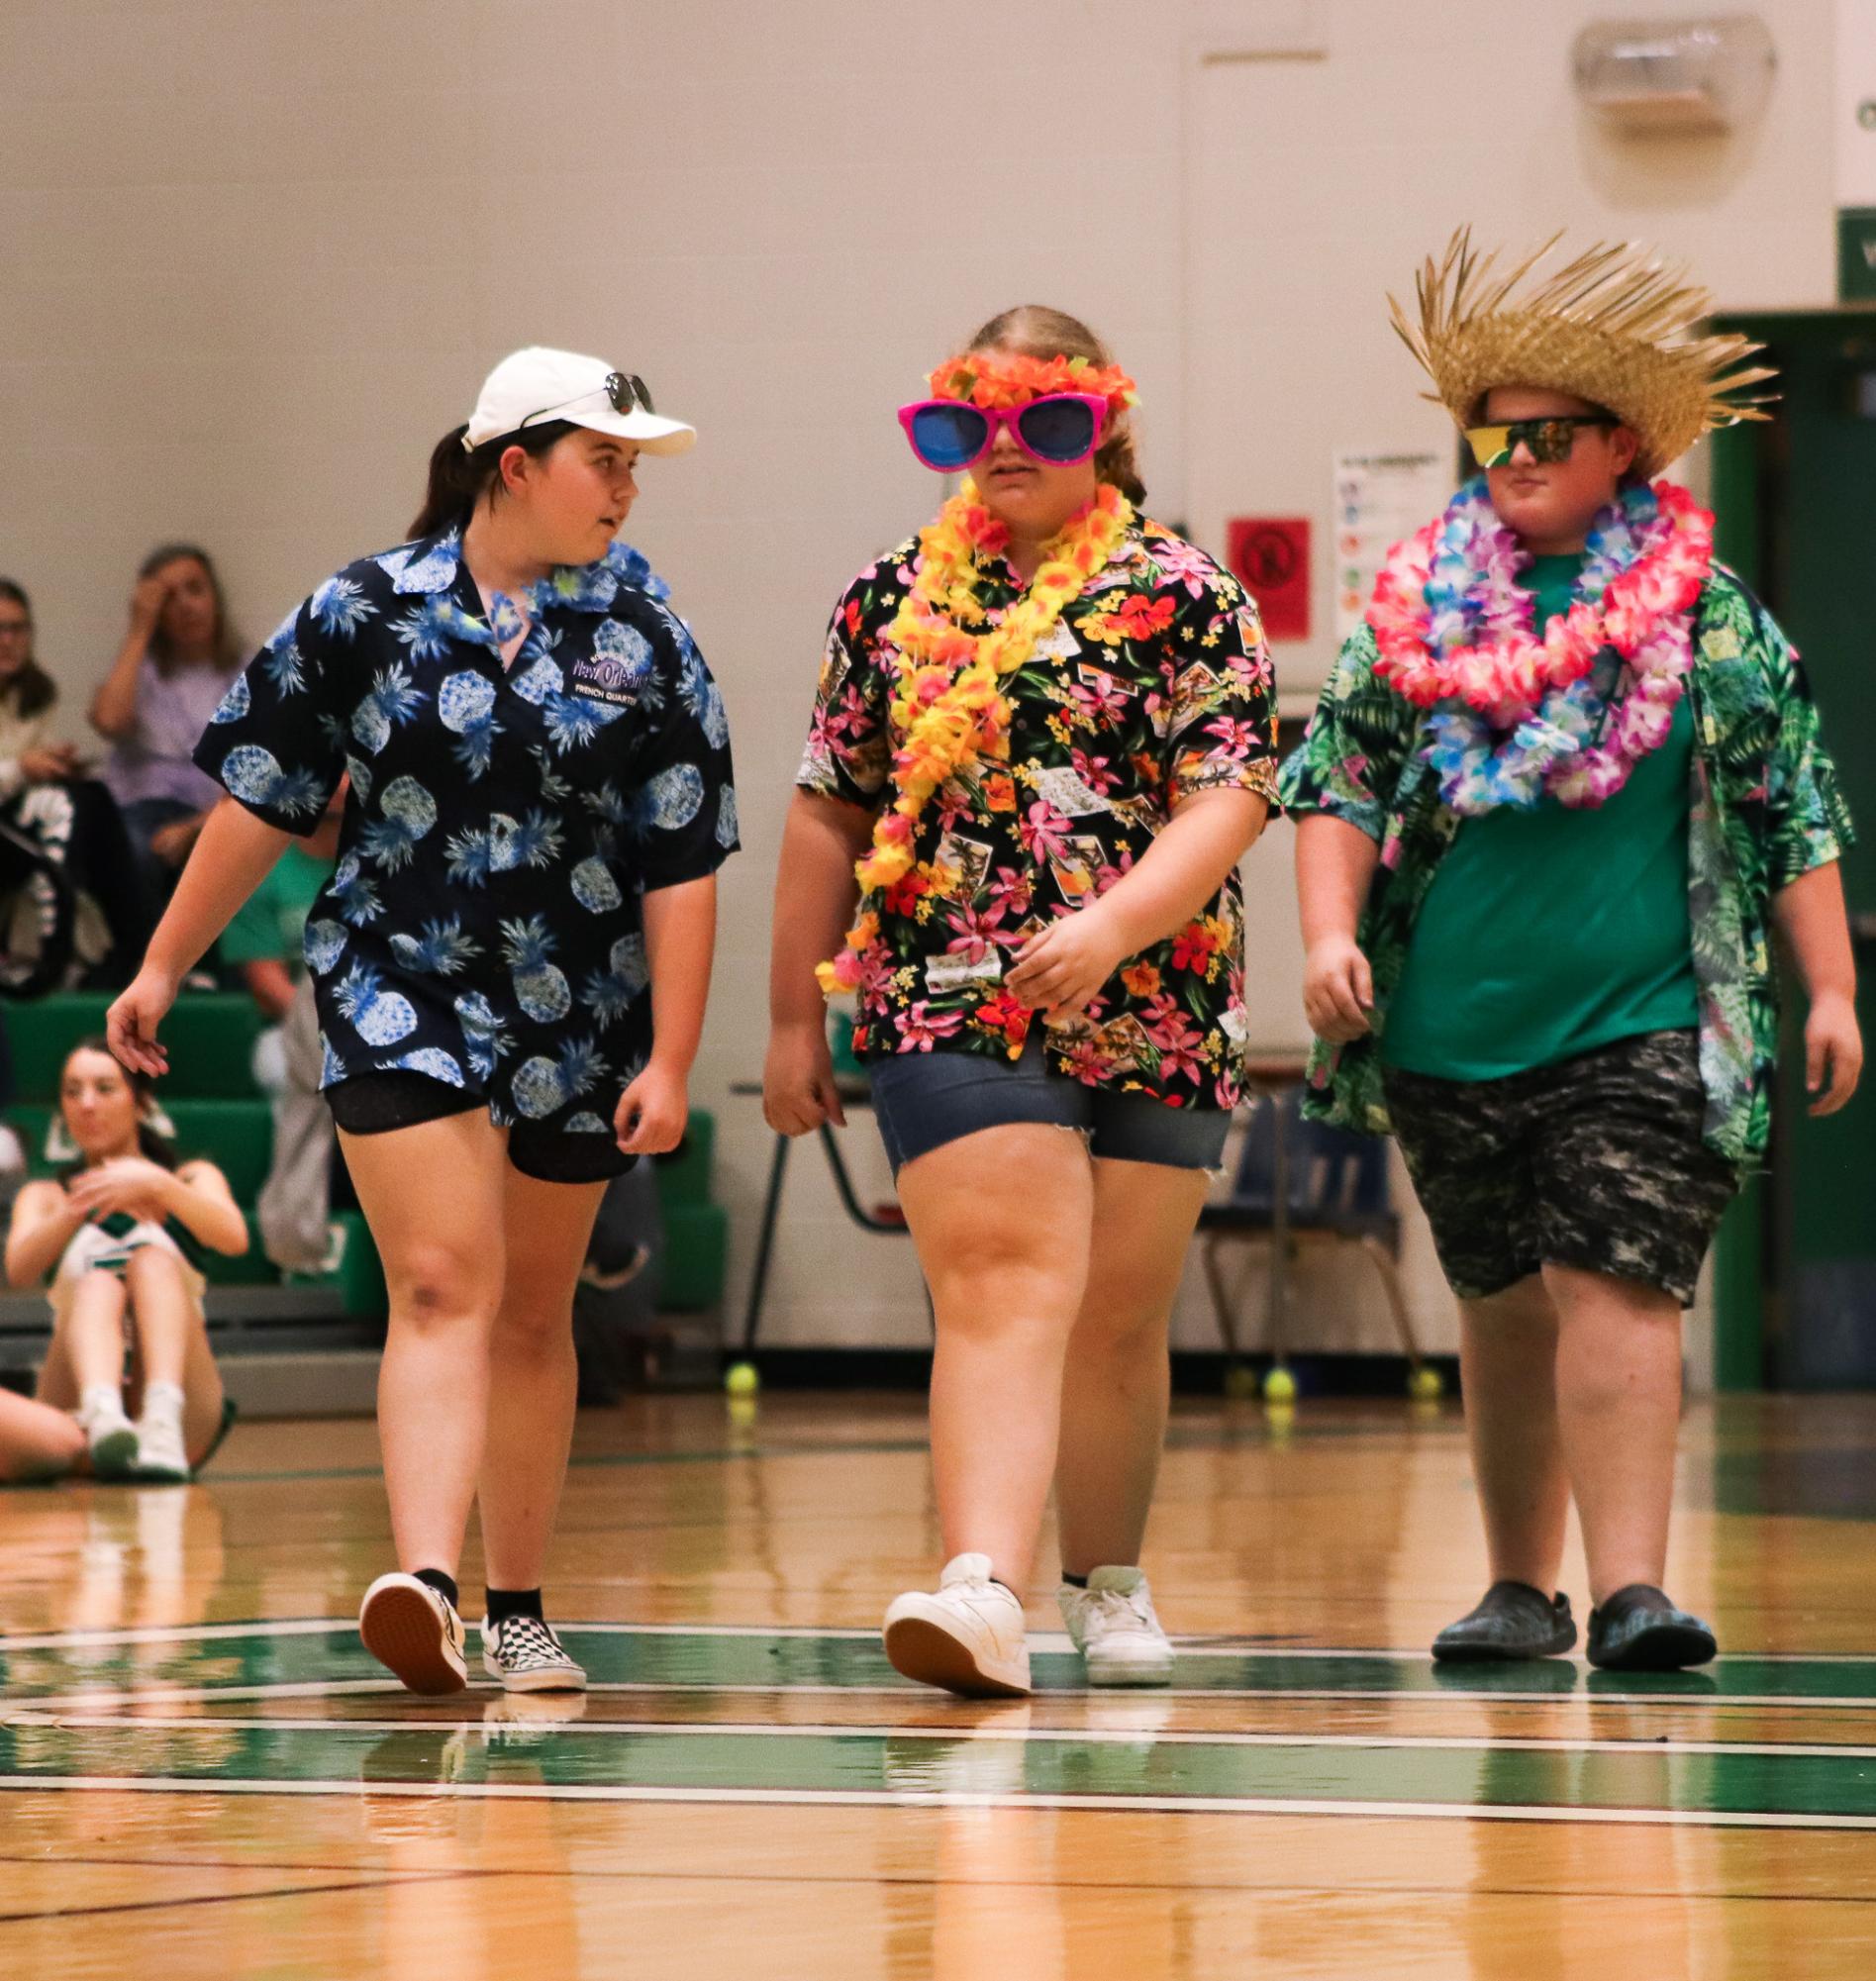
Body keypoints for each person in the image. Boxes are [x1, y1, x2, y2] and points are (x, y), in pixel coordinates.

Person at [108, 346, 736, 1697]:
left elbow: (684, 858)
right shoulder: (362, 609)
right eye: (604, 459)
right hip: (398, 978)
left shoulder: (648, 636)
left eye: (635, 465)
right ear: (516, 463)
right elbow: (264, 797)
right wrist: (163, 967)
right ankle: (429, 1588)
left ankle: (519, 1605)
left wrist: (674, 1056)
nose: (626, 488)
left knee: (528, 1313)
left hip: (582, 1008)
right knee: (444, 1282)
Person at [1281, 233, 1860, 1671]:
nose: (1514, 454)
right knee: (1497, 1302)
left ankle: (1630, 1592)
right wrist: (1324, 933)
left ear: (1620, 449)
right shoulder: (1412, 608)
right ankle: (1514, 1588)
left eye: (1547, 433)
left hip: (1643, 1021)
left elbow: (1785, 798)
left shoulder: (1704, 611)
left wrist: (1832, 985)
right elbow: (1336, 784)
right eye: (1494, 433)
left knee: (1615, 1282)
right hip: (1446, 1031)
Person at [766, 307, 1276, 1697]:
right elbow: (827, 808)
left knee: (1114, 1310)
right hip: (945, 989)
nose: (1002, 453)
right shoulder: (885, 601)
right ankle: (977, 1583)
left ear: (1099, 430)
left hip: (1156, 996)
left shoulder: (1184, 594)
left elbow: (1229, 791)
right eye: (966, 424)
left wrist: (1111, 929)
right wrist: (786, 1020)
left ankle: (1103, 1581)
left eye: (1041, 422)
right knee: (1001, 1284)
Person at [1, 1040, 247, 1485]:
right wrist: (82, 1204)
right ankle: (103, 1412)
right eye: (72, 1091)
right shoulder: (47, 1196)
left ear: (141, 1102)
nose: (87, 1104)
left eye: (105, 1088)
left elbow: (234, 1238)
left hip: (185, 1417)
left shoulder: (188, 1179)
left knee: (152, 1260)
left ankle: (161, 1416)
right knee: (97, 1283)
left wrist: (157, 1186)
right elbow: (17, 1270)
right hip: (75, 1408)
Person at [0, 578, 148, 988]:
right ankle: (55, 951)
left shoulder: (34, 693)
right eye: (0, 629)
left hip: (18, 818)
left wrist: (54, 762)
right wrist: (22, 769)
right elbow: (17, 770)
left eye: (18, 628)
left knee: (93, 796)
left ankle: (134, 954)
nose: (9, 640)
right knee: (62, 807)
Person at [91, 544, 244, 912]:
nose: (186, 606)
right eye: (169, 597)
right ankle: (143, 966)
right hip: (141, 811)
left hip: (216, 813)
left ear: (215, 597)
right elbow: (109, 721)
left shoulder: (248, 672)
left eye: (195, 589)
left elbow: (263, 771)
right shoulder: (139, 670)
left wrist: (195, 827)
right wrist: (139, 629)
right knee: (131, 849)